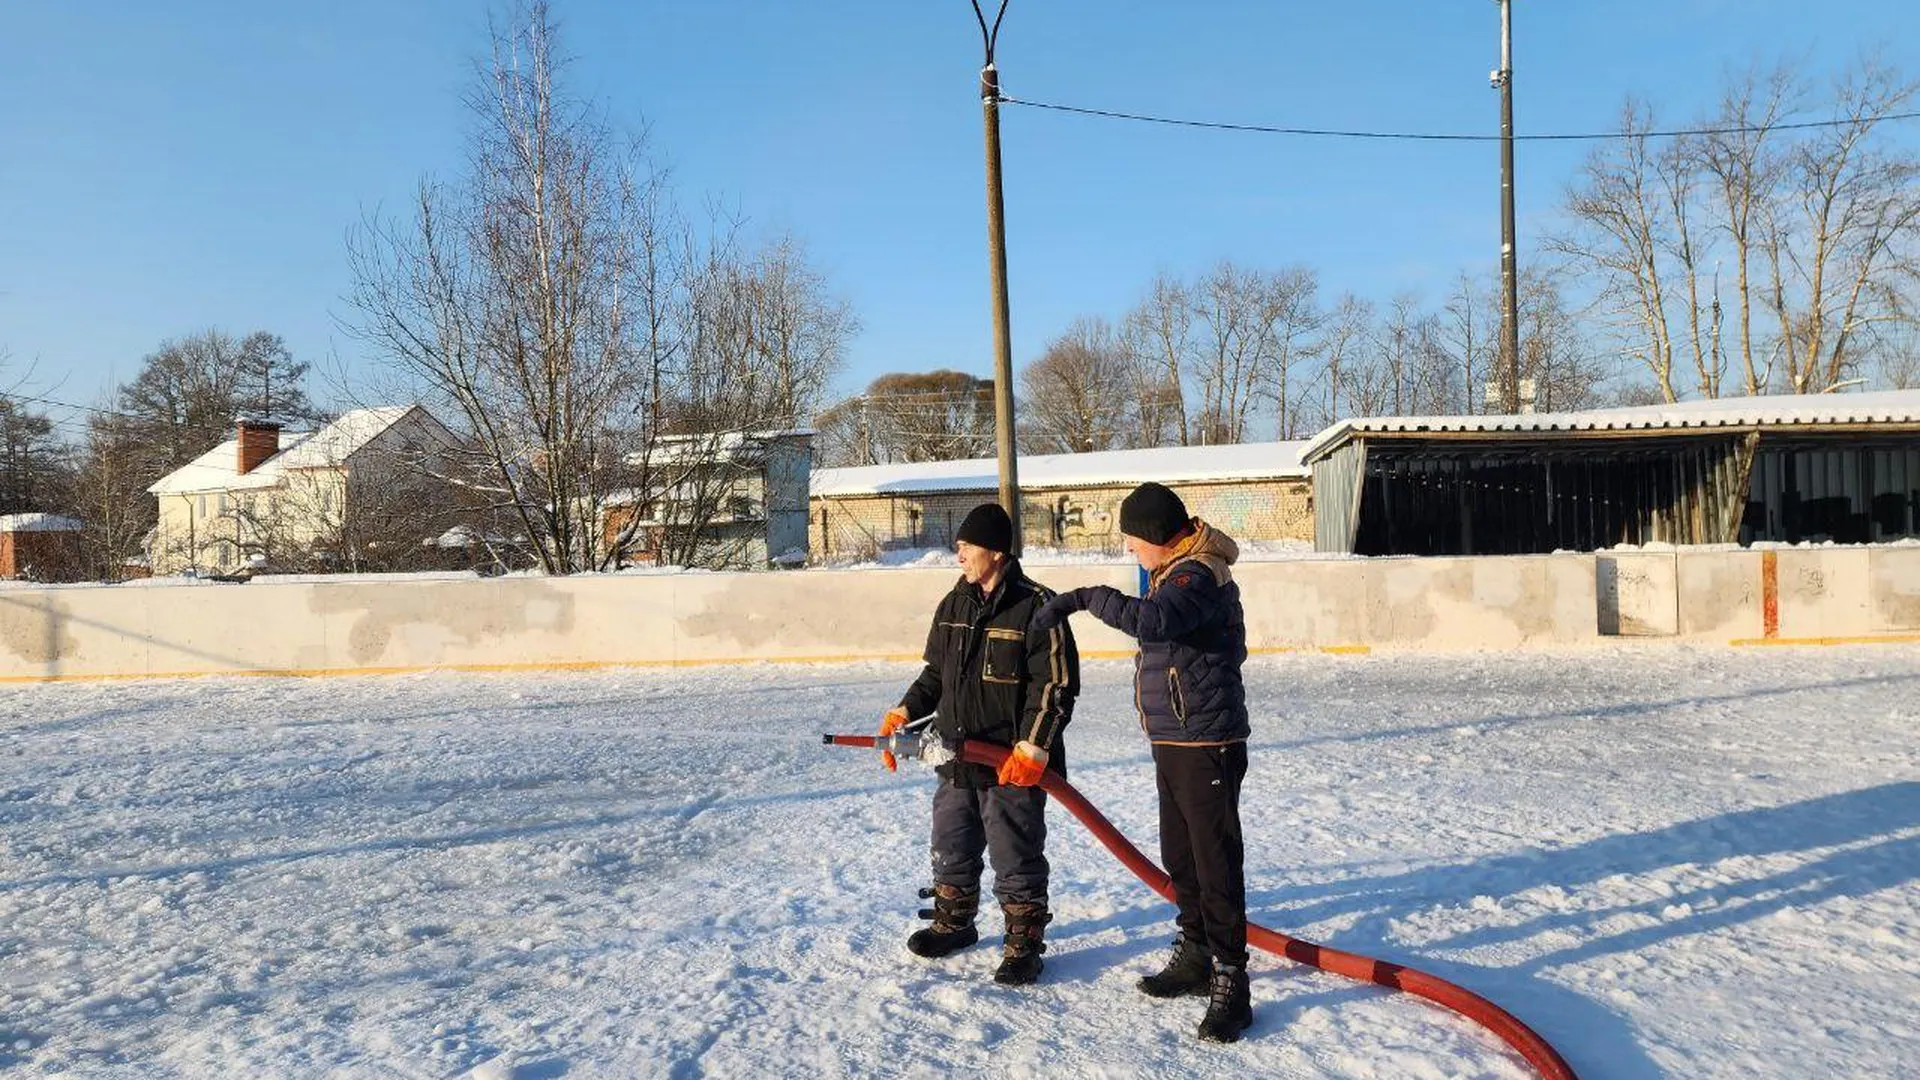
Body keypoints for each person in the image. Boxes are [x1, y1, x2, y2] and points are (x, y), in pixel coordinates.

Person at [1028, 481, 1253, 1042]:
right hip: (1176, 738)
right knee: (1182, 856)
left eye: (1133, 540)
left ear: (1154, 535)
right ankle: (1197, 952)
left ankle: (1232, 977)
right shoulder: (1173, 572)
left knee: (1215, 862)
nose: (1131, 551)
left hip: (1207, 741)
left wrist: (1083, 597)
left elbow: (1154, 623)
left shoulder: (1197, 572)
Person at [881, 502, 1080, 986]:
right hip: (954, 754)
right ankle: (953, 923)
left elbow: (1054, 687)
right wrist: (906, 711)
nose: (959, 556)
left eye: (966, 547)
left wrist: (1034, 749)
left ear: (995, 551)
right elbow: (937, 674)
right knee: (951, 844)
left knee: (1014, 854)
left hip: (1011, 762)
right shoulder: (953, 604)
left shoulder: (1038, 606)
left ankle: (1023, 944)